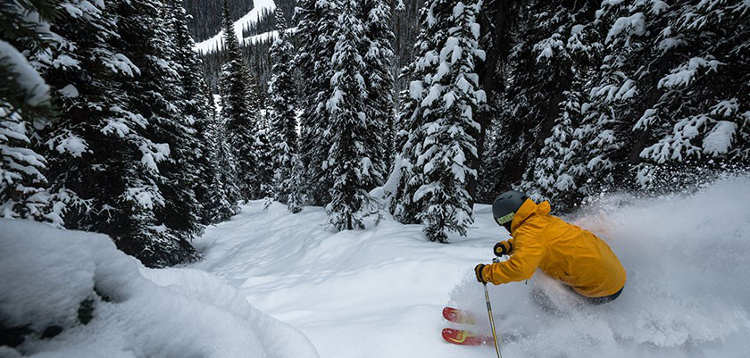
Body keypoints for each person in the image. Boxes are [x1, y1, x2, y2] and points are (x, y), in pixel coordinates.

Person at [474, 190, 626, 305]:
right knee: (546, 281)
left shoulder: (529, 234)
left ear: (506, 219)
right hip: (615, 276)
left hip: (601, 289)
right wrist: (510, 246)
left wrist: (487, 273)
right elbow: (544, 241)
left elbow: (520, 269)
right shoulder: (544, 220)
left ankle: (553, 331)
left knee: (540, 296)